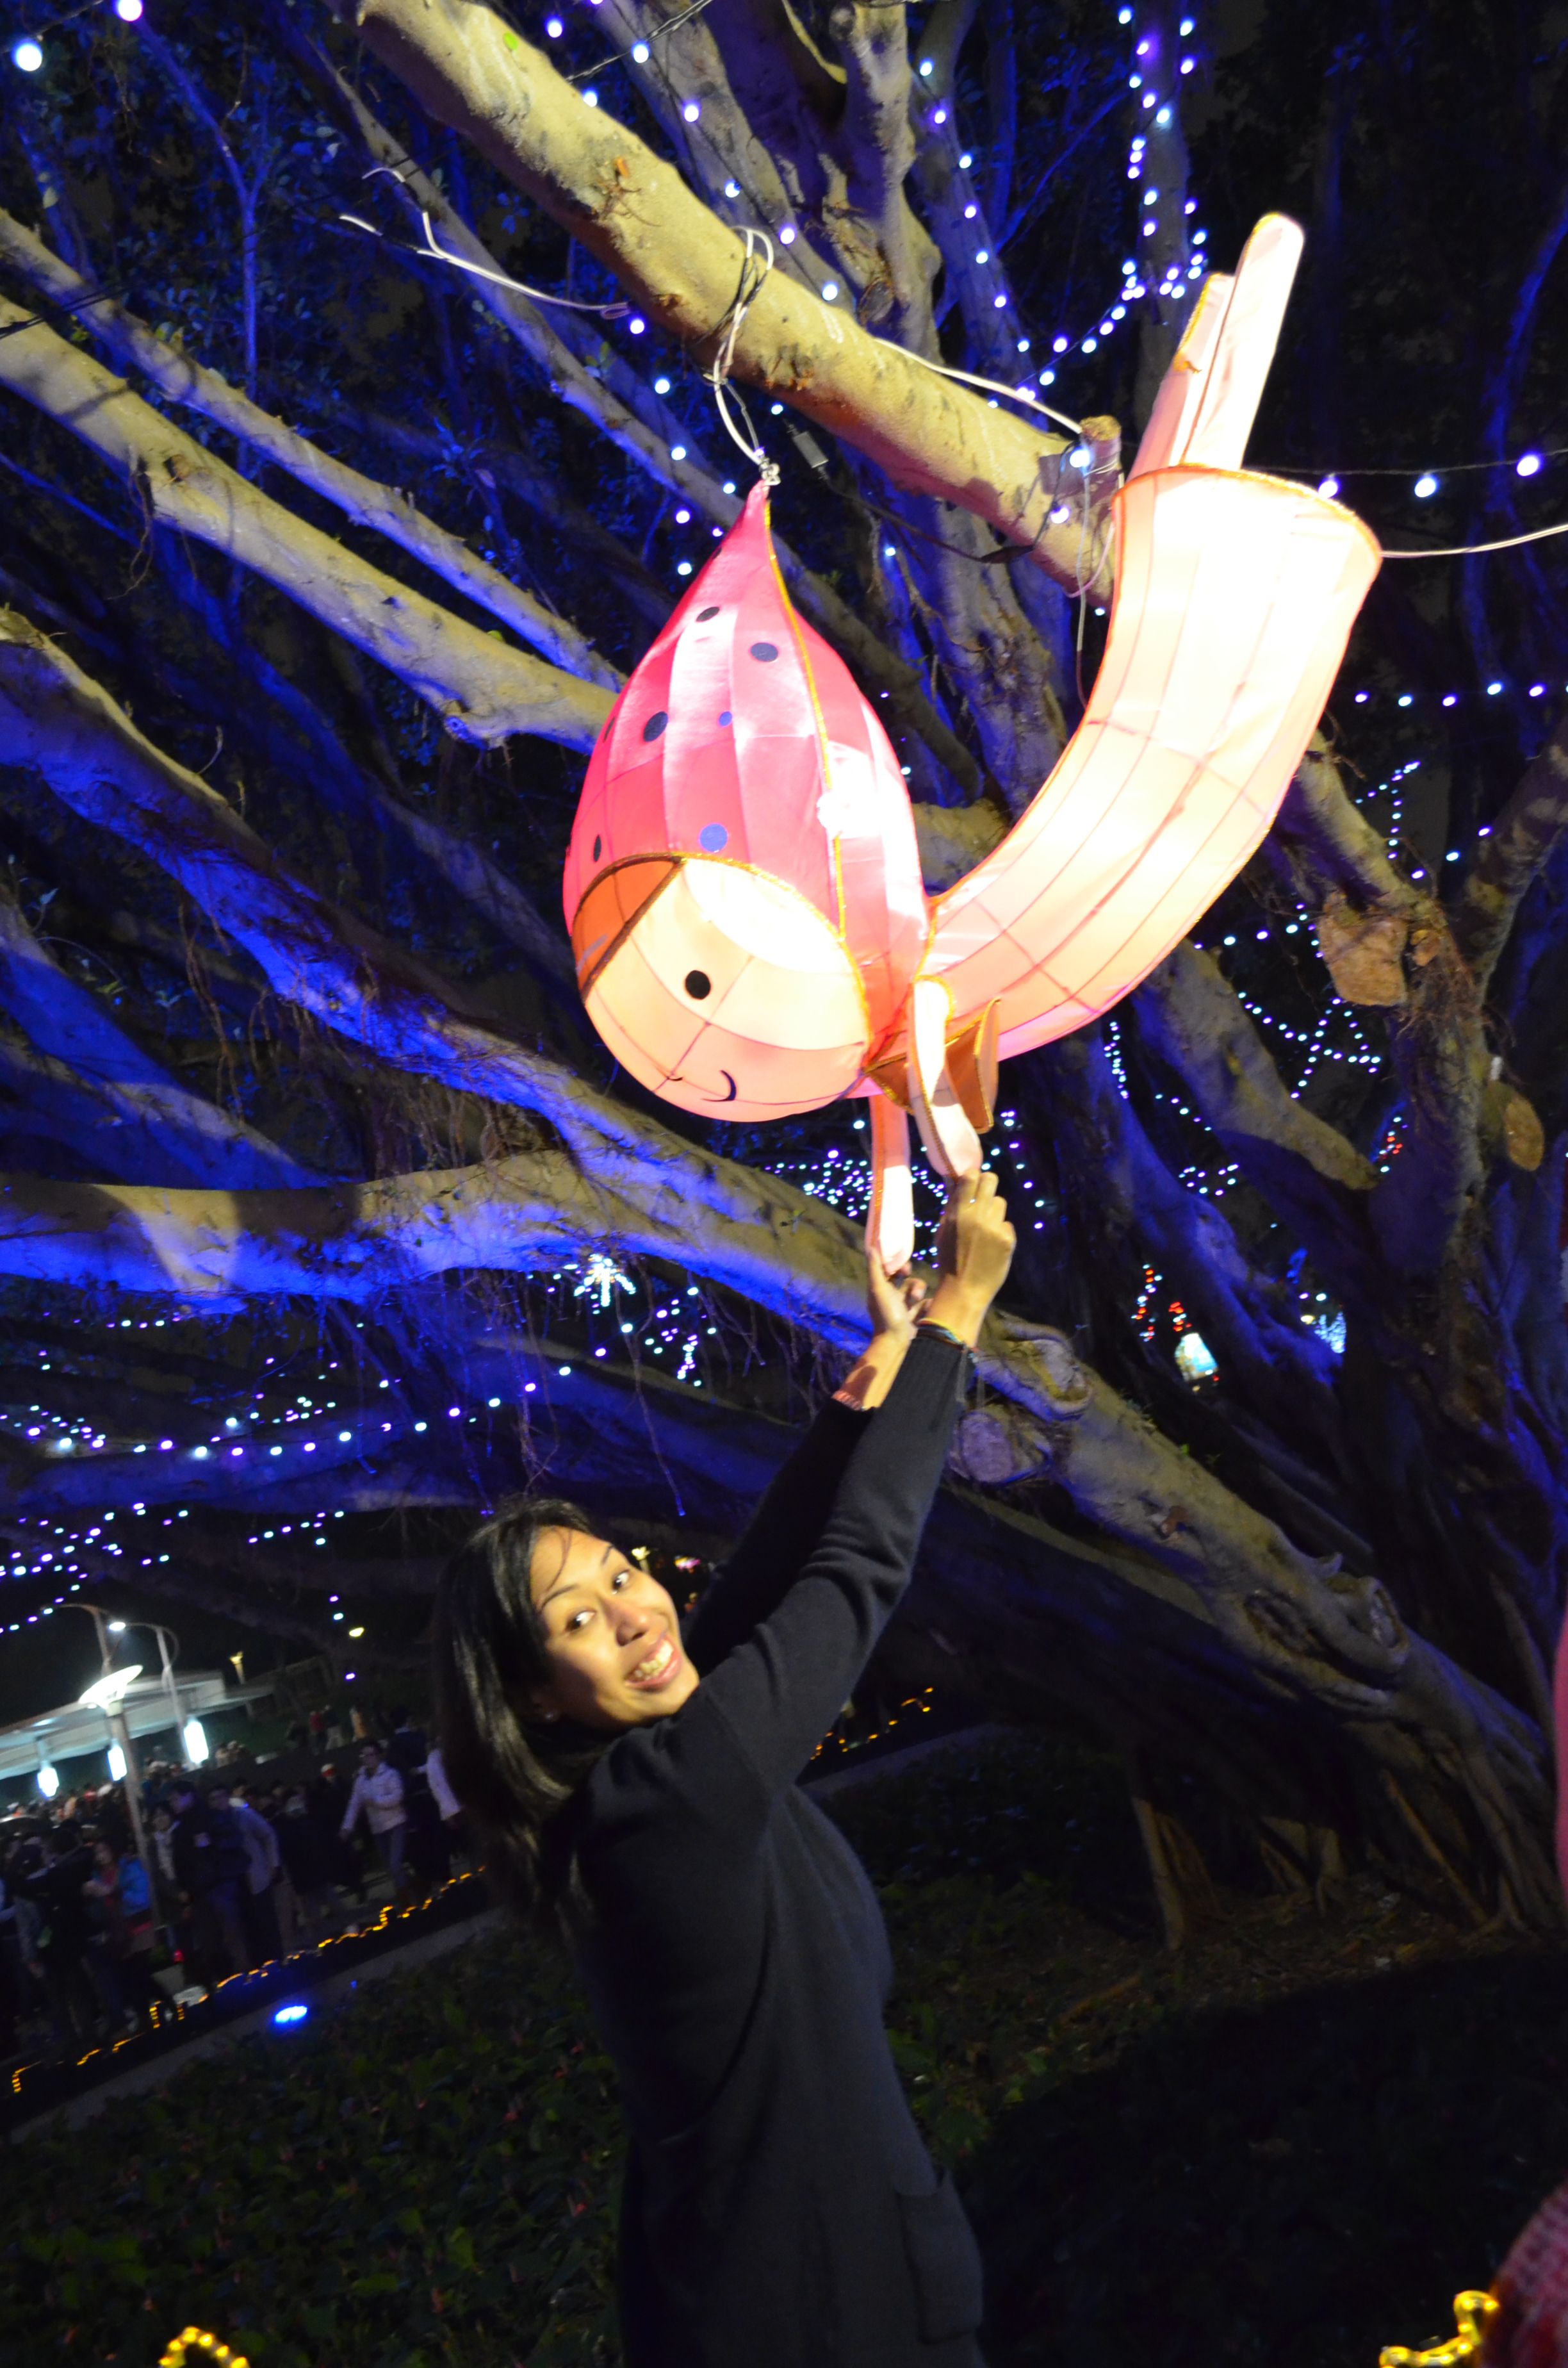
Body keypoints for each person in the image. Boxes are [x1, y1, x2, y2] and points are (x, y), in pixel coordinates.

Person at [434, 1171, 1014, 2368]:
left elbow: (759, 1579)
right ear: (533, 1694)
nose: (635, 1613)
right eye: (578, 1619)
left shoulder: (644, 1771)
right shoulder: (659, 1806)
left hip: (816, 2290)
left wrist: (877, 1370)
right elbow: (853, 1571)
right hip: (813, 2319)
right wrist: (958, 1313)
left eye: (621, 1572)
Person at [209, 1784, 282, 1965]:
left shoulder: (243, 1815)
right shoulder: (213, 1824)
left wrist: (273, 1863)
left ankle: (277, 1962)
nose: (218, 1802)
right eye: (213, 1799)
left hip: (255, 1875)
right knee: (248, 1929)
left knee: (267, 1924)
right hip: (235, 1883)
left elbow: (268, 1834)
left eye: (221, 1797)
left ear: (227, 1797)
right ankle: (261, 1965)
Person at [339, 1742, 408, 1887]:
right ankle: (407, 1887)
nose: (367, 1759)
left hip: (395, 1824)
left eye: (371, 1755)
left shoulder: (390, 1774)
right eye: (364, 1756)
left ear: (379, 1756)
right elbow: (354, 1804)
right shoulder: (361, 1781)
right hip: (378, 1828)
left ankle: (406, 1892)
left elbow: (397, 1796)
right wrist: (347, 1827)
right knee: (390, 1867)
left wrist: (376, 1802)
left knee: (395, 1864)